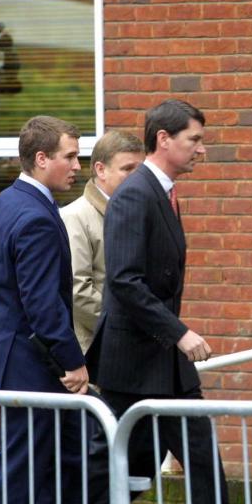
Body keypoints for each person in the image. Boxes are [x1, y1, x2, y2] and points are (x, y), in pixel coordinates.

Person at [83, 99, 240, 504]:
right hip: (135, 362)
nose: (202, 150)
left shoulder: (160, 193)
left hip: (161, 362)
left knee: (188, 456)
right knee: (111, 468)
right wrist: (181, 333)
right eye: (195, 140)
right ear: (164, 139)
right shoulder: (136, 195)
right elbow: (125, 281)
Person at [0, 115, 89, 504]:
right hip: (30, 364)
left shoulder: (3, 203)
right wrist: (72, 362)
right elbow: (42, 303)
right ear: (41, 159)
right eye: (70, 157)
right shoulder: (37, 216)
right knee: (22, 469)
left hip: (12, 357)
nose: (77, 165)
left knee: (35, 465)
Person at [60, 130, 144, 354]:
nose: (137, 177)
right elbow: (78, 290)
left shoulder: (137, 213)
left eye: (141, 169)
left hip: (133, 346)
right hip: (98, 350)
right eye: (127, 169)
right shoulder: (75, 216)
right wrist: (130, 326)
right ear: (100, 170)